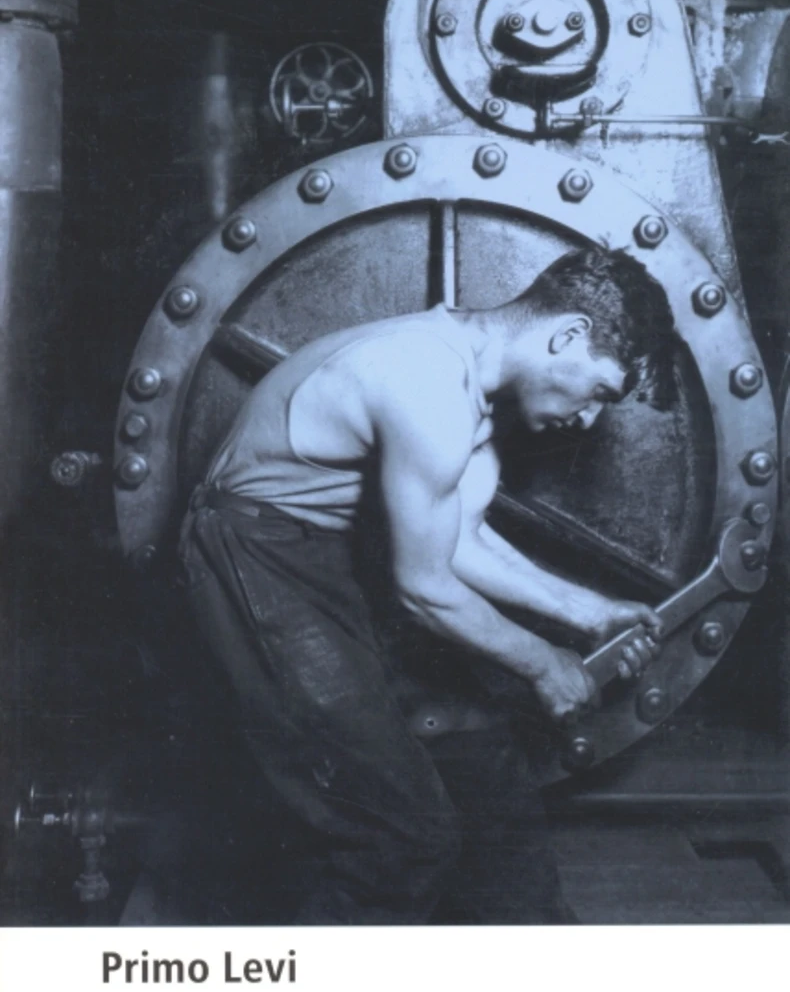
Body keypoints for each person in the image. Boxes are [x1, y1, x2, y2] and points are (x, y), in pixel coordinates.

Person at [179, 246, 681, 924]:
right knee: (400, 833)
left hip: (327, 551)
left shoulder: (473, 389)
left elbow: (459, 540)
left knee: (479, 753)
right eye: (599, 393)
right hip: (255, 556)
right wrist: (543, 662)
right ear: (568, 335)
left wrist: (591, 611)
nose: (589, 419)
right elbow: (422, 587)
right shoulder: (425, 381)